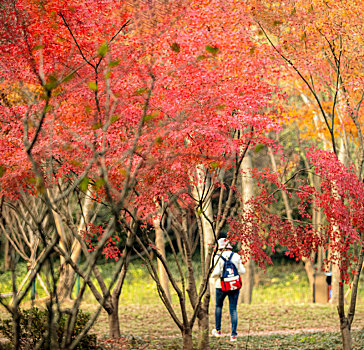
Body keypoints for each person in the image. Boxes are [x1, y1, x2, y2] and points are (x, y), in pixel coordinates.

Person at [211, 237, 245, 342]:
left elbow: (216, 273)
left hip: (221, 286)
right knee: (233, 309)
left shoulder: (217, 257)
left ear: (219, 247)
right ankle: (233, 335)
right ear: (229, 247)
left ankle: (218, 330)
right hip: (234, 285)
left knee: (218, 306)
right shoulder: (236, 256)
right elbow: (242, 271)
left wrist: (212, 276)